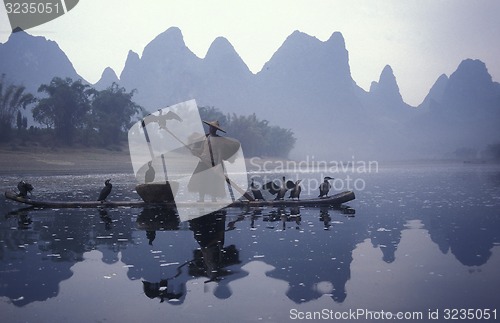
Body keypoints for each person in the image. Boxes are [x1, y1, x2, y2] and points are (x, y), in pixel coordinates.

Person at [187, 120, 240, 202]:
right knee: (201, 180)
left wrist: (217, 166)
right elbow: (202, 149)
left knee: (214, 181)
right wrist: (194, 151)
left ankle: (213, 199)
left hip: (214, 163)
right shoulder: (206, 137)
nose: (211, 129)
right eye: (211, 127)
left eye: (213, 128)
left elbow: (220, 153)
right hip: (203, 162)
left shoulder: (219, 140)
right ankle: (201, 199)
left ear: (216, 130)